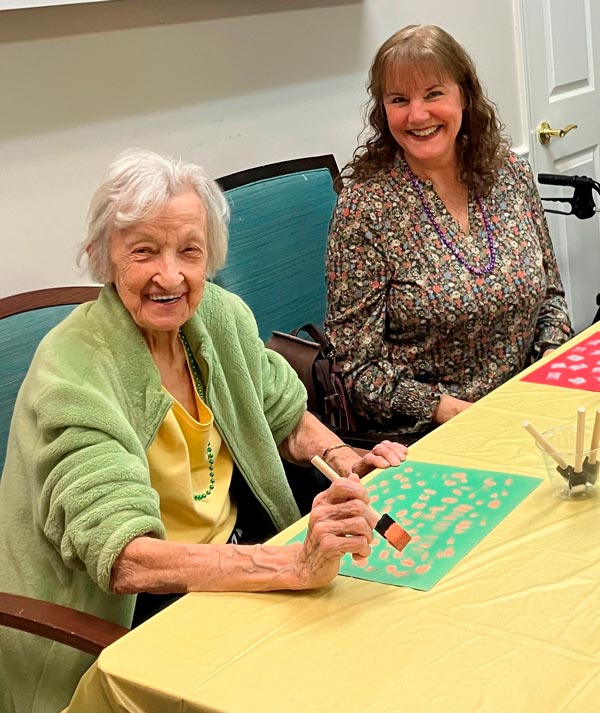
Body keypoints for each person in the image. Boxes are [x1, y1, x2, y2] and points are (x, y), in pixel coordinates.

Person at [0, 148, 408, 713]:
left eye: (189, 251)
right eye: (144, 251)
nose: (171, 276)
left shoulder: (217, 315)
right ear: (102, 256)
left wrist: (341, 457)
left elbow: (285, 415)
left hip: (235, 565)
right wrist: (291, 566)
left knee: (380, 652)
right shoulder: (72, 372)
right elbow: (125, 559)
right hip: (135, 612)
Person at [325, 24, 573, 439]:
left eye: (434, 94)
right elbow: (356, 365)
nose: (417, 115)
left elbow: (551, 296)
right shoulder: (365, 208)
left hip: (529, 407)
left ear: (465, 95)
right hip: (430, 430)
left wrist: (549, 364)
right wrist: (447, 410)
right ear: (383, 111)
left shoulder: (510, 173)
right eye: (399, 100)